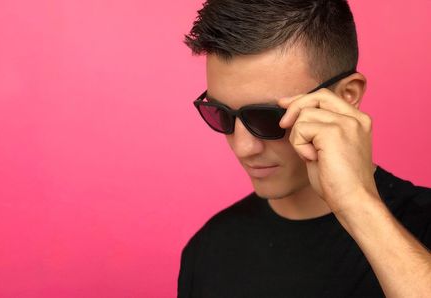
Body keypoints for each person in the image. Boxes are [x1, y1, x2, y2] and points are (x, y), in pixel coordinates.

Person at [177, 0, 431, 297]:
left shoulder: (423, 223)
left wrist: (357, 205)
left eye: (269, 117)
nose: (244, 148)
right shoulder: (208, 250)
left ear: (346, 96)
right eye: (220, 113)